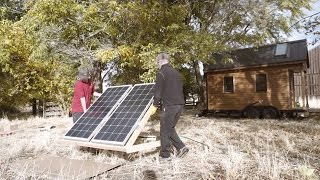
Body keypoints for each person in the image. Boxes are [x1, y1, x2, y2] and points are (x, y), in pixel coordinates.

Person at [151, 52, 189, 161]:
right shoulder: (177, 73)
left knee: (164, 130)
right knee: (170, 128)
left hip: (169, 106)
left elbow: (158, 92)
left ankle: (165, 156)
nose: (157, 64)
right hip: (180, 105)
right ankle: (181, 147)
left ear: (160, 61)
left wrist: (155, 105)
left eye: (157, 62)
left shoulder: (161, 73)